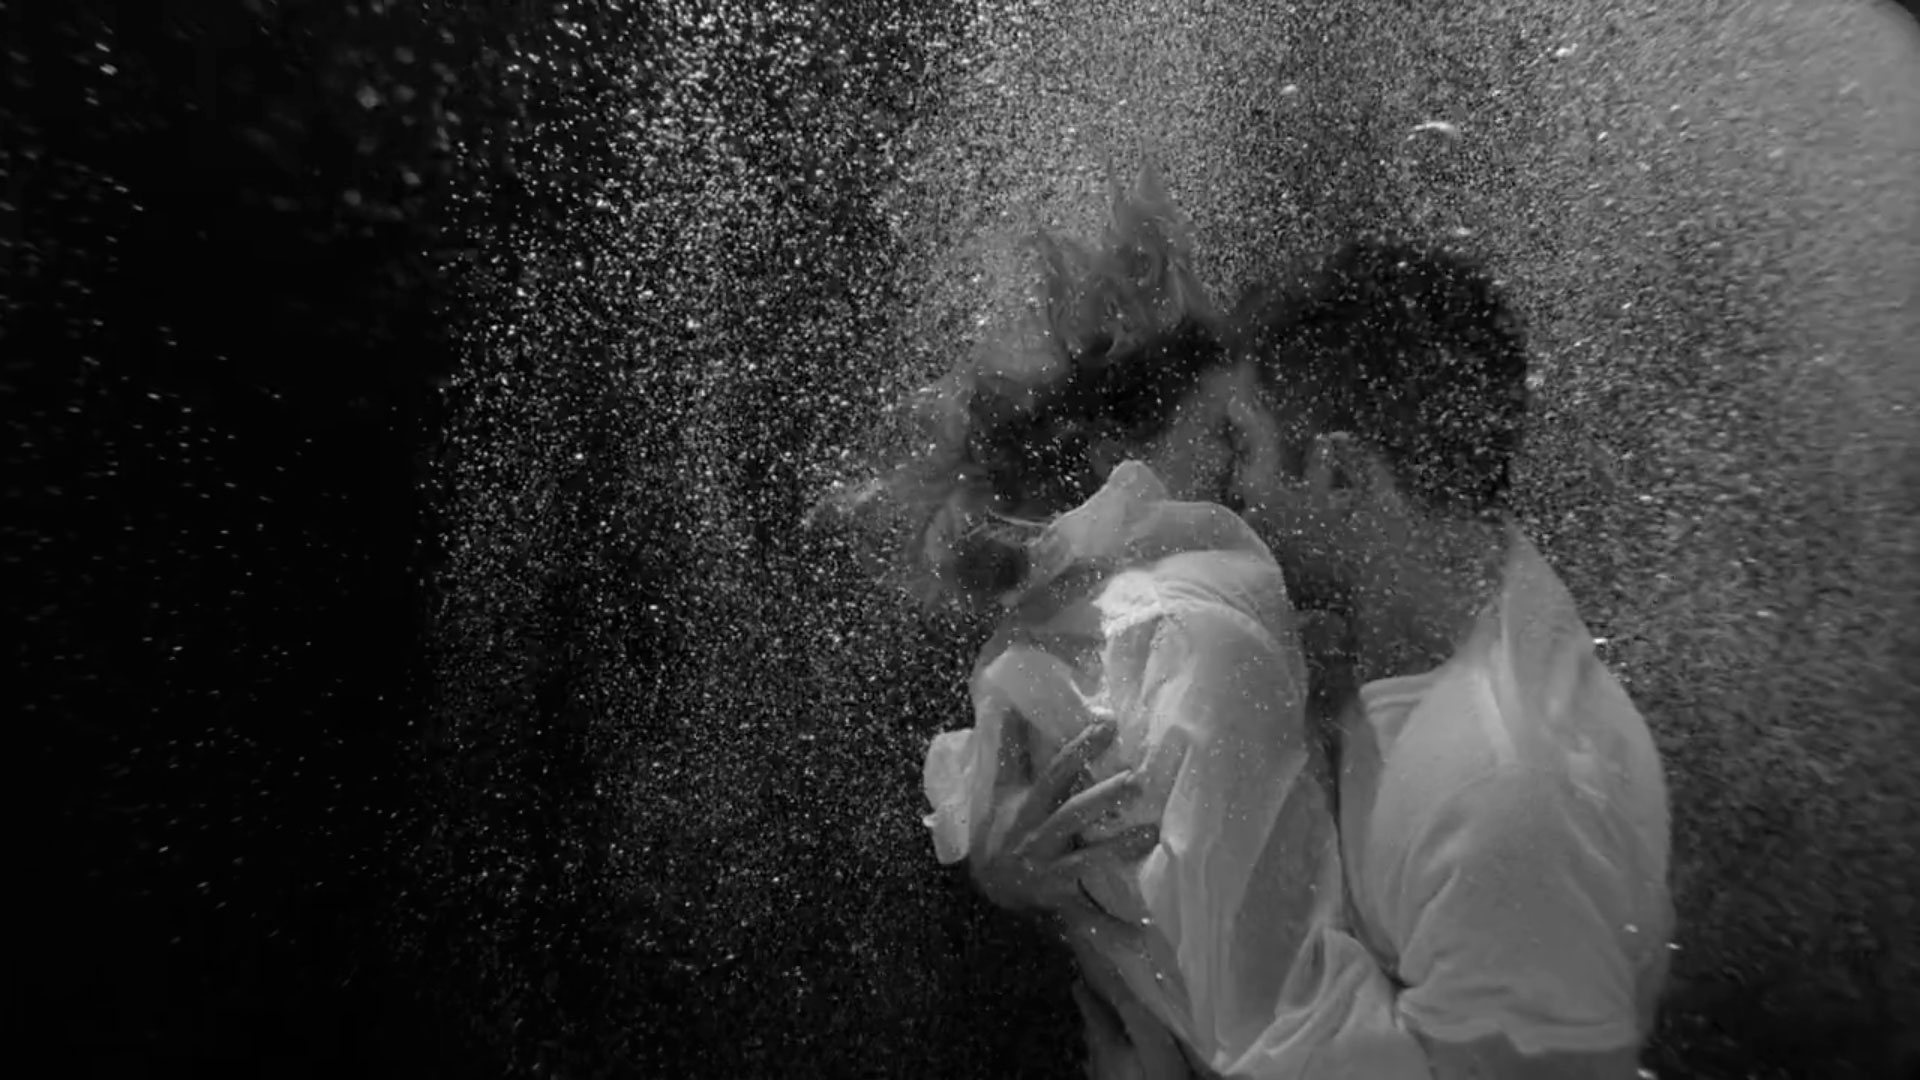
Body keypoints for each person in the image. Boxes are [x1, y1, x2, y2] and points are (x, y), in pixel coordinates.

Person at [827, 165, 1674, 1078]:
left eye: (1246, 448)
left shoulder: (1509, 794)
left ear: (1342, 476)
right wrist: (1021, 872)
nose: (1239, 499)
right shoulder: (1374, 622)